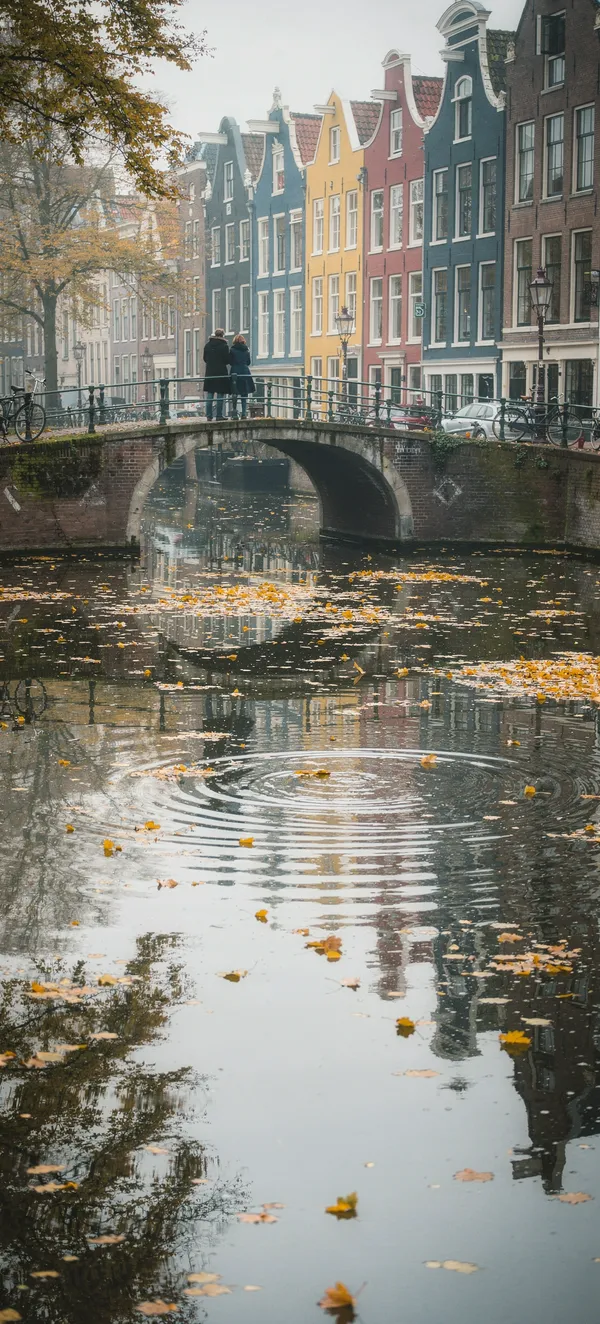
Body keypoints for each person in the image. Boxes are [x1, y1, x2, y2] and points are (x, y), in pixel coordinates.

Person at [203, 328, 231, 420]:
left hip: (210, 372)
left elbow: (205, 359)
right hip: (220, 372)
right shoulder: (224, 346)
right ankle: (219, 415)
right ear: (223, 335)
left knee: (210, 394)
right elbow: (227, 360)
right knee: (220, 394)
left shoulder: (207, 345)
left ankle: (209, 415)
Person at [229, 334, 254, 419]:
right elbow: (248, 362)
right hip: (244, 371)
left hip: (235, 371)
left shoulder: (232, 350)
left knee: (235, 392)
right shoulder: (246, 350)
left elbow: (230, 361)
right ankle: (244, 413)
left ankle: (234, 412)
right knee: (244, 393)